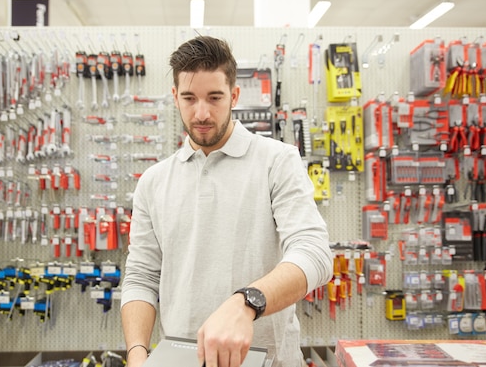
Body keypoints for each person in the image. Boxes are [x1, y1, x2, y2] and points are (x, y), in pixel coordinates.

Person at [120, 35, 333, 367]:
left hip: (267, 361)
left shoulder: (277, 161)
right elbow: (141, 277)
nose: (202, 113)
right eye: (189, 98)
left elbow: (314, 254)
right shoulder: (153, 182)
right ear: (175, 97)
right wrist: (137, 352)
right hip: (179, 361)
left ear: (234, 95)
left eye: (214, 97)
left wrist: (246, 303)